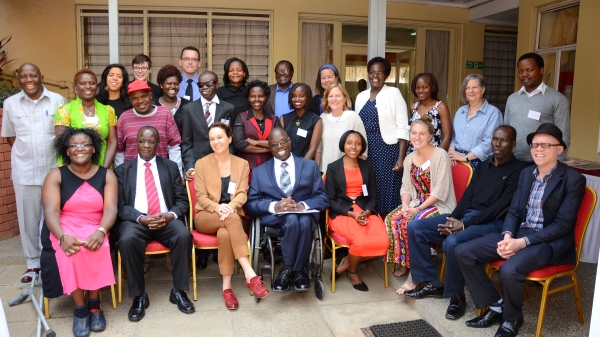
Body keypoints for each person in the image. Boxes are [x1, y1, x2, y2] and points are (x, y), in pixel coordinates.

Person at [456, 123, 585, 337]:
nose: (539, 149)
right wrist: (508, 235)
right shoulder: (526, 174)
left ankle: (512, 317)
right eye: (535, 145)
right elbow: (514, 211)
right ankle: (497, 305)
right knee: (463, 252)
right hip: (520, 233)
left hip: (550, 241)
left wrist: (521, 243)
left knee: (510, 269)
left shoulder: (573, 179)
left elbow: (563, 225)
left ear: (559, 149)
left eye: (546, 145)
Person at [402, 126, 528, 322]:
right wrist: (454, 218)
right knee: (416, 227)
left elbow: (500, 209)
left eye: (503, 141)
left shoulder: (519, 170)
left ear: (513, 144)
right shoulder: (484, 165)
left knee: (452, 242)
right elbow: (468, 197)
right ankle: (432, 283)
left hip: (494, 223)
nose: (497, 144)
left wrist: (464, 224)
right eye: (495, 139)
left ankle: (456, 297)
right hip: (467, 217)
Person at [41, 128, 117, 336]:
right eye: (73, 145)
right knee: (72, 251)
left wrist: (101, 231)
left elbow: (110, 209)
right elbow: (51, 211)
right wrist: (62, 237)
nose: (79, 149)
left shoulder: (106, 175)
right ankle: (81, 308)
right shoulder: (55, 175)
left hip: (96, 224)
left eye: (85, 144)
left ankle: (94, 304)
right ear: (67, 151)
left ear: (94, 149)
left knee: (97, 247)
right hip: (64, 226)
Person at [114, 126, 194, 321]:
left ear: (158, 144)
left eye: (151, 141)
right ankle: (139, 295)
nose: (146, 145)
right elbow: (120, 206)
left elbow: (182, 201)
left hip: (165, 219)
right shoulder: (123, 170)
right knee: (126, 239)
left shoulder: (170, 167)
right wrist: (140, 218)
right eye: (142, 141)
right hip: (137, 221)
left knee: (184, 236)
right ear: (136, 143)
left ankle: (178, 291)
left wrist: (169, 216)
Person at [1, 63, 67, 283]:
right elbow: (11, 138)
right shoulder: (10, 104)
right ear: (18, 79)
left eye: (33, 75)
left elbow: (63, 134)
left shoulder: (58, 100)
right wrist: (26, 154)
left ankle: (52, 259)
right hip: (25, 171)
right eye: (23, 76)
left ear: (41, 77)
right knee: (28, 220)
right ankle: (33, 265)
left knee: (54, 217)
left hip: (53, 170)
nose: (28, 80)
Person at [193, 123, 270, 309]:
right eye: (212, 139)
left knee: (225, 234)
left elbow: (242, 193)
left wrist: (230, 206)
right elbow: (201, 197)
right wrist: (219, 208)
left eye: (219, 137)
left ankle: (227, 289)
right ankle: (249, 273)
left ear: (229, 138)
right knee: (232, 218)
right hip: (206, 215)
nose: (216, 142)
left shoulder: (242, 164)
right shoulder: (201, 163)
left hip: (230, 216)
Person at [246, 128, 330, 291]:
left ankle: (289, 269)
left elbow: (323, 198)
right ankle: (298, 271)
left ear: (289, 141)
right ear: (269, 147)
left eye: (283, 142)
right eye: (275, 144)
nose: (280, 147)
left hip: (305, 217)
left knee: (303, 220)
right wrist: (275, 206)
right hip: (275, 218)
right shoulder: (259, 172)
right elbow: (251, 205)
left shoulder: (309, 166)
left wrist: (302, 206)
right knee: (291, 219)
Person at [385, 115, 456, 290]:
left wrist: (417, 210)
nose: (417, 137)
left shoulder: (440, 155)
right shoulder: (409, 158)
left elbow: (440, 192)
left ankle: (414, 274)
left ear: (430, 136)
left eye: (422, 134)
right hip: (417, 203)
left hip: (439, 205)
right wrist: (405, 205)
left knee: (413, 222)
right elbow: (406, 188)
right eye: (414, 133)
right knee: (393, 219)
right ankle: (406, 261)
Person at [326, 130, 389, 291]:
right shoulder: (333, 168)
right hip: (343, 213)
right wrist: (352, 213)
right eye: (349, 142)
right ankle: (353, 271)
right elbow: (331, 201)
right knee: (360, 242)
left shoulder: (367, 166)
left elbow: (373, 197)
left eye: (358, 143)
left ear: (362, 147)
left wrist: (366, 212)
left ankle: (347, 261)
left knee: (383, 242)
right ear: (343, 145)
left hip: (364, 211)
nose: (353, 146)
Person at [355, 57, 409, 214]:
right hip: (365, 151)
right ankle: (372, 226)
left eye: (379, 72)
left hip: (388, 150)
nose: (375, 76)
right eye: (371, 72)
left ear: (386, 75)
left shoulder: (394, 93)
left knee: (385, 190)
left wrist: (401, 157)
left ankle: (388, 227)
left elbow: (402, 127)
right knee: (368, 188)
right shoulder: (361, 97)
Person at [505, 52, 571, 163]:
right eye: (521, 71)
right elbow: (506, 131)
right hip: (512, 162)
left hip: (542, 163)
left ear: (541, 70)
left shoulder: (557, 99)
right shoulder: (512, 98)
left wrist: (555, 164)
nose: (524, 74)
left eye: (529, 70)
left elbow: (563, 136)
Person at [115, 80, 182, 174]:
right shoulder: (124, 118)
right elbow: (119, 152)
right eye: (135, 98)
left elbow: (174, 147)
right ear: (130, 100)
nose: (140, 101)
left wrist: (177, 174)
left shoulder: (165, 113)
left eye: (144, 96)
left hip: (162, 174)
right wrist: (121, 175)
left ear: (150, 96)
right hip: (132, 176)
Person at [55, 68, 117, 168]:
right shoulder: (65, 110)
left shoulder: (108, 111)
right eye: (82, 83)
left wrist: (103, 170)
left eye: (92, 83)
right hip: (73, 170)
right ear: (75, 87)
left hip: (101, 166)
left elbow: (112, 142)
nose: (88, 87)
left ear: (96, 87)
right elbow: (63, 144)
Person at [182, 71, 235, 180]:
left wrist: (228, 163)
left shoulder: (228, 108)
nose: (204, 87)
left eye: (209, 84)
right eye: (200, 85)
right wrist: (190, 167)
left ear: (217, 85)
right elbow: (187, 142)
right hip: (198, 166)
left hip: (224, 166)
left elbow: (232, 141)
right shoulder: (189, 109)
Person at [448, 74, 502, 170]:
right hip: (455, 161)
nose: (471, 91)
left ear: (483, 90)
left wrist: (465, 157)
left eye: (475, 87)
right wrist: (452, 150)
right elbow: (453, 135)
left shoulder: (493, 113)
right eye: (467, 88)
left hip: (479, 163)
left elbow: (489, 142)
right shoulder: (460, 111)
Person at [317, 82, 367, 172]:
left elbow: (363, 147)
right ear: (327, 99)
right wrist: (316, 171)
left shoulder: (353, 117)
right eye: (331, 96)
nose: (334, 99)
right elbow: (318, 148)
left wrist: (359, 171)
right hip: (325, 171)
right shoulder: (322, 118)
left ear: (344, 99)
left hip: (347, 172)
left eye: (338, 96)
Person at [233, 80, 280, 169]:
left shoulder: (274, 119)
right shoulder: (241, 117)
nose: (257, 99)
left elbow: (279, 143)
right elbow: (240, 144)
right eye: (253, 96)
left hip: (270, 168)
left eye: (261, 96)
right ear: (248, 98)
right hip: (246, 169)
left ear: (266, 97)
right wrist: (270, 149)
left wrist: (256, 142)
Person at [406, 73, 451, 154]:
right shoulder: (413, 107)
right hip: (413, 155)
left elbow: (447, 136)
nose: (420, 90)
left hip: (433, 154)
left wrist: (434, 156)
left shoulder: (440, 107)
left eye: (425, 87)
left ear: (432, 87)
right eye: (417, 88)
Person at [279, 83, 322, 160]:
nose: (297, 99)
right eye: (294, 96)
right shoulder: (284, 118)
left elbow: (313, 149)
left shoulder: (316, 120)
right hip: (286, 163)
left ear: (307, 97)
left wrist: (301, 166)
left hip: (305, 165)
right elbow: (280, 145)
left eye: (301, 96)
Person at [153, 64, 189, 138]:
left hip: (181, 148)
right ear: (161, 85)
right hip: (158, 148)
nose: (173, 87)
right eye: (169, 84)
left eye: (176, 84)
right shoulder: (152, 105)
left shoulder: (187, 105)